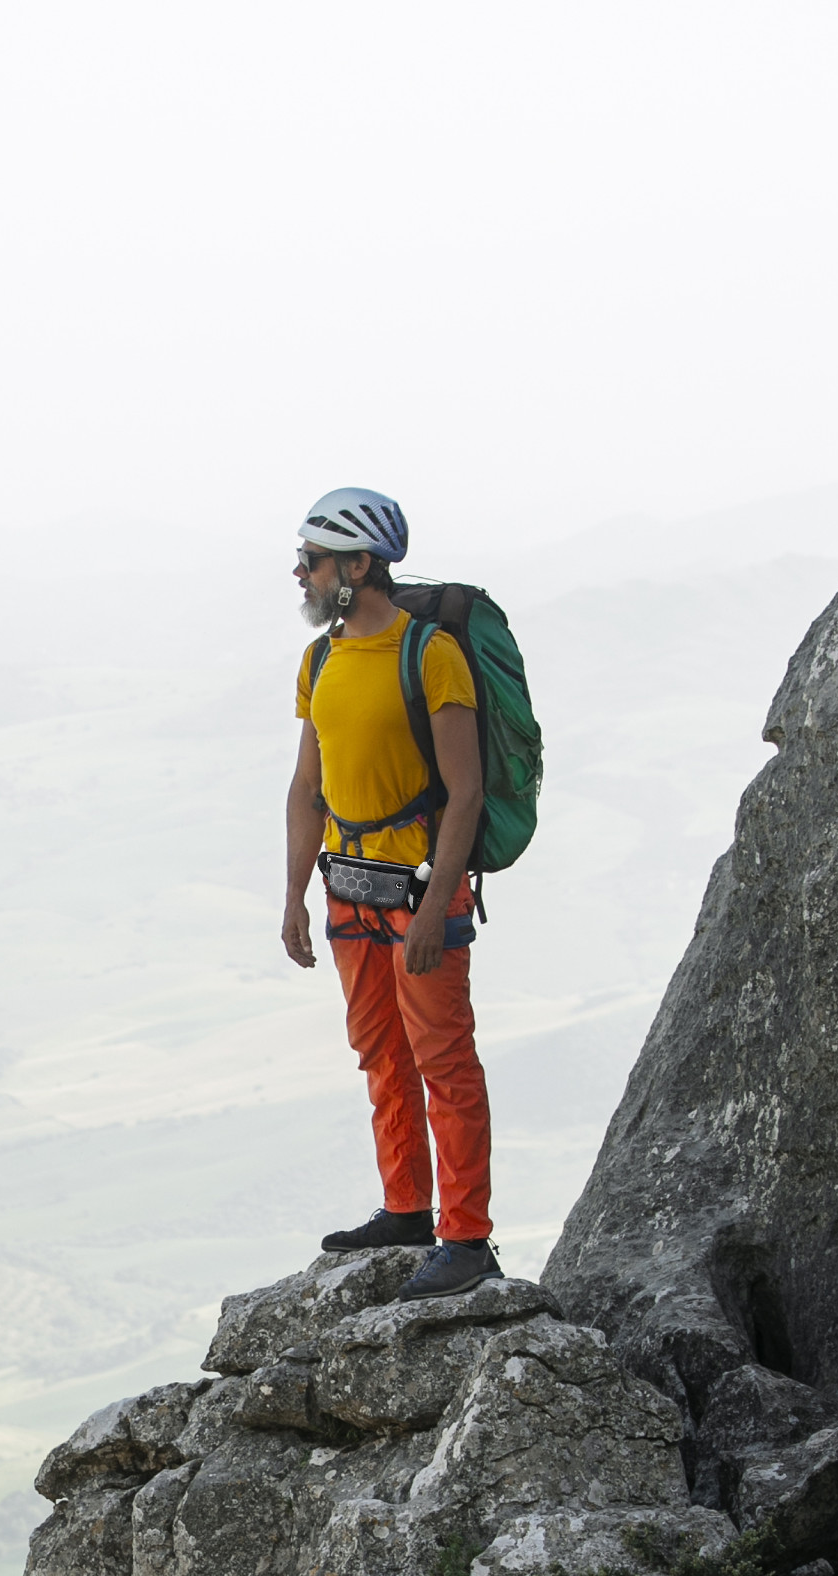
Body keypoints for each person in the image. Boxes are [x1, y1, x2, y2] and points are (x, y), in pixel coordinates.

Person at [281, 487, 501, 1300]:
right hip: (348, 893)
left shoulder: (431, 655)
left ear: (358, 566)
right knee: (381, 1054)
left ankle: (467, 1236)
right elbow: (308, 788)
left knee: (444, 1061)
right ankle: (407, 1208)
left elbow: (466, 791)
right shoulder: (320, 661)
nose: (299, 572)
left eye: (313, 559)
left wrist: (438, 909)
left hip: (418, 896)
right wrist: (294, 896)